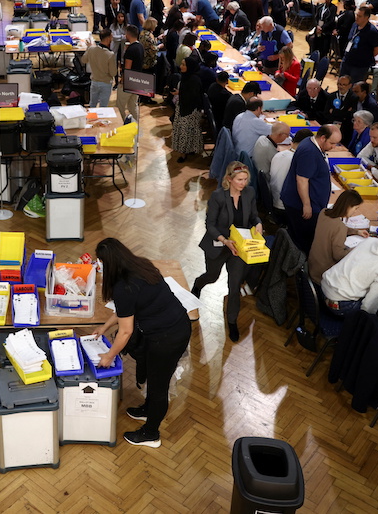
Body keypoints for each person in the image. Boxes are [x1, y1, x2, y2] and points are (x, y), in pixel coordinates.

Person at [91, 238, 190, 448]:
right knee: (155, 382)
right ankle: (147, 409)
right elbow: (125, 310)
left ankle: (151, 433)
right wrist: (105, 327)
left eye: (100, 262)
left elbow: (126, 332)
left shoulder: (123, 286)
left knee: (158, 387)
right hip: (175, 325)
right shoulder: (141, 266)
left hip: (167, 338)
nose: (99, 266)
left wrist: (109, 356)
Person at [191, 161, 262, 341]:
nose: (243, 183)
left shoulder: (250, 193)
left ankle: (232, 321)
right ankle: (198, 284)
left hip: (239, 247)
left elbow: (254, 216)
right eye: (239, 179)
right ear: (229, 179)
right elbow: (210, 225)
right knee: (212, 276)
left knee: (234, 283)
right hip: (219, 244)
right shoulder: (218, 197)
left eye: (245, 179)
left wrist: (258, 223)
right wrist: (224, 240)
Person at [281, 125, 343, 252]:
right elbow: (302, 180)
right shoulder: (309, 152)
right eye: (332, 143)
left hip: (307, 203)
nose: (333, 147)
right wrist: (307, 205)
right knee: (304, 242)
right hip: (301, 206)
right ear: (322, 138)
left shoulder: (310, 141)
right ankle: (298, 266)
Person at [308, 190, 368, 283]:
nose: (355, 211)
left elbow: (333, 230)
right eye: (355, 208)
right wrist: (357, 249)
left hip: (313, 264)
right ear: (348, 207)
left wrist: (356, 232)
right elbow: (338, 255)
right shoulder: (340, 227)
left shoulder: (324, 212)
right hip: (324, 274)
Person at [172, 56, 205, 163]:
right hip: (183, 107)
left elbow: (192, 96)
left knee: (186, 131)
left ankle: (184, 153)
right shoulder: (186, 77)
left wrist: (180, 93)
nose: (181, 66)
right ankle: (186, 150)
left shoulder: (194, 80)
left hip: (190, 110)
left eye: (183, 64)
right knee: (185, 131)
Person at [340, 5, 378, 83]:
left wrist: (365, 57)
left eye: (359, 16)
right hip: (347, 61)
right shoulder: (354, 25)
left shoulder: (372, 31)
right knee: (342, 84)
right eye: (357, 14)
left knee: (354, 88)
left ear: (366, 18)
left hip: (359, 66)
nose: (356, 17)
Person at [85, 29, 117, 108]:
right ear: (108, 38)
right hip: (105, 83)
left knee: (92, 105)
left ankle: (90, 120)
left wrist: (89, 48)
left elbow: (84, 60)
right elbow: (113, 73)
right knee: (103, 108)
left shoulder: (91, 49)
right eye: (111, 37)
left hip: (94, 82)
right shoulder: (110, 54)